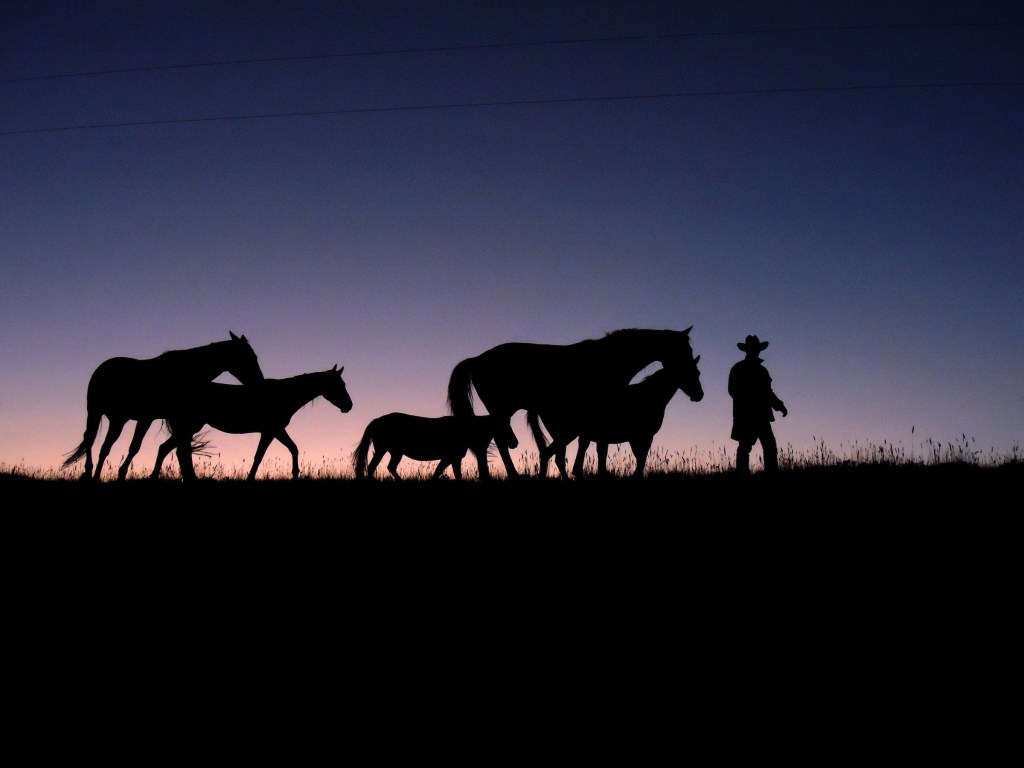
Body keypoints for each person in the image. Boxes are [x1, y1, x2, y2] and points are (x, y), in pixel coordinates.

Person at [729, 334, 787, 475]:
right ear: (747, 350)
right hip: (747, 414)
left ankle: (770, 473)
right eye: (753, 349)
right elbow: (733, 390)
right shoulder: (739, 368)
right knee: (746, 446)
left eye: (756, 349)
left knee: (768, 445)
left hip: (761, 414)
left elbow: (768, 392)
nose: (755, 351)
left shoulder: (761, 370)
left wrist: (779, 405)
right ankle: (742, 474)